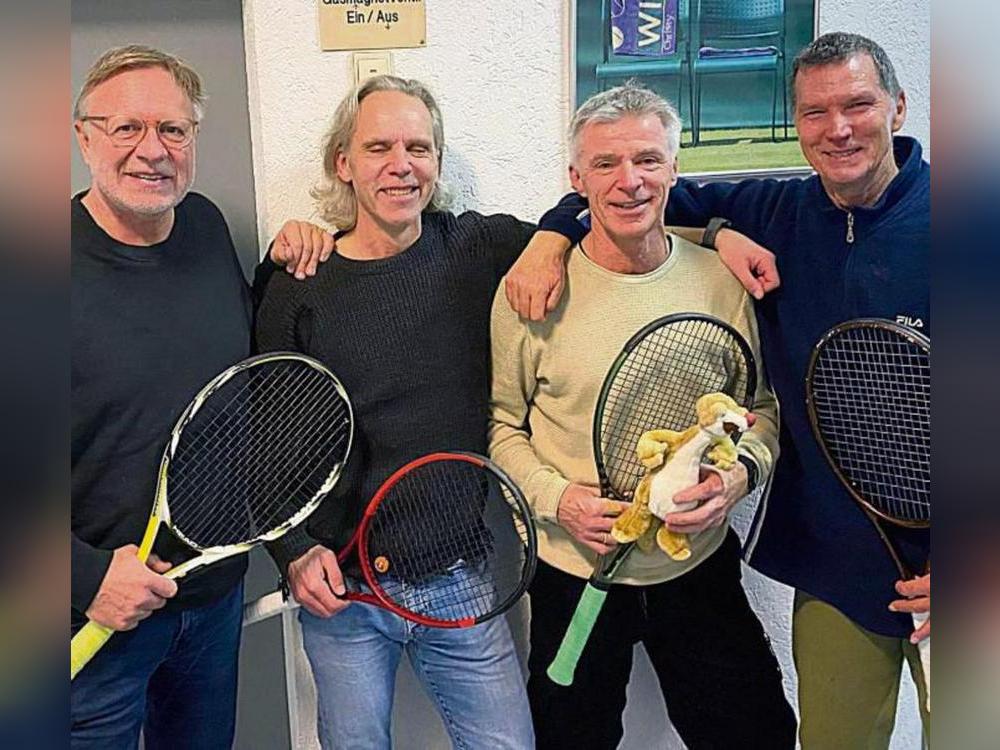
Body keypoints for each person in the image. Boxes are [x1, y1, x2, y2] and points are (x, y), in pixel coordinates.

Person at [507, 32, 930, 747]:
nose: (839, 129)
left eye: (858, 105)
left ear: (898, 107)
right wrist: (550, 238)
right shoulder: (777, 213)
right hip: (840, 569)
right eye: (815, 112)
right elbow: (632, 194)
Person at [488, 81, 796, 750]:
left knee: (761, 734)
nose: (630, 181)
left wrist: (738, 478)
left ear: (674, 169)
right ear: (576, 178)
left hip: (698, 567)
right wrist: (558, 499)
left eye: (649, 160)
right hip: (576, 573)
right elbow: (502, 428)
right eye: (605, 164)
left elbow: (762, 411)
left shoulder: (723, 279)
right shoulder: (530, 288)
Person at [254, 75, 535, 749]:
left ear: (438, 162)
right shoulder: (298, 285)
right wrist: (291, 552)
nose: (401, 164)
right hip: (342, 594)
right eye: (379, 147)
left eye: (419, 146)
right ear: (342, 164)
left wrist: (722, 233)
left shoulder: (473, 250)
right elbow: (258, 444)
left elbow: (598, 227)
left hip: (459, 583)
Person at [70, 46, 252, 748]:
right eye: (126, 129)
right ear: (83, 135)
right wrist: (86, 578)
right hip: (87, 619)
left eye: (173, 131)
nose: (153, 151)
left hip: (211, 600)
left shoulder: (205, 228)